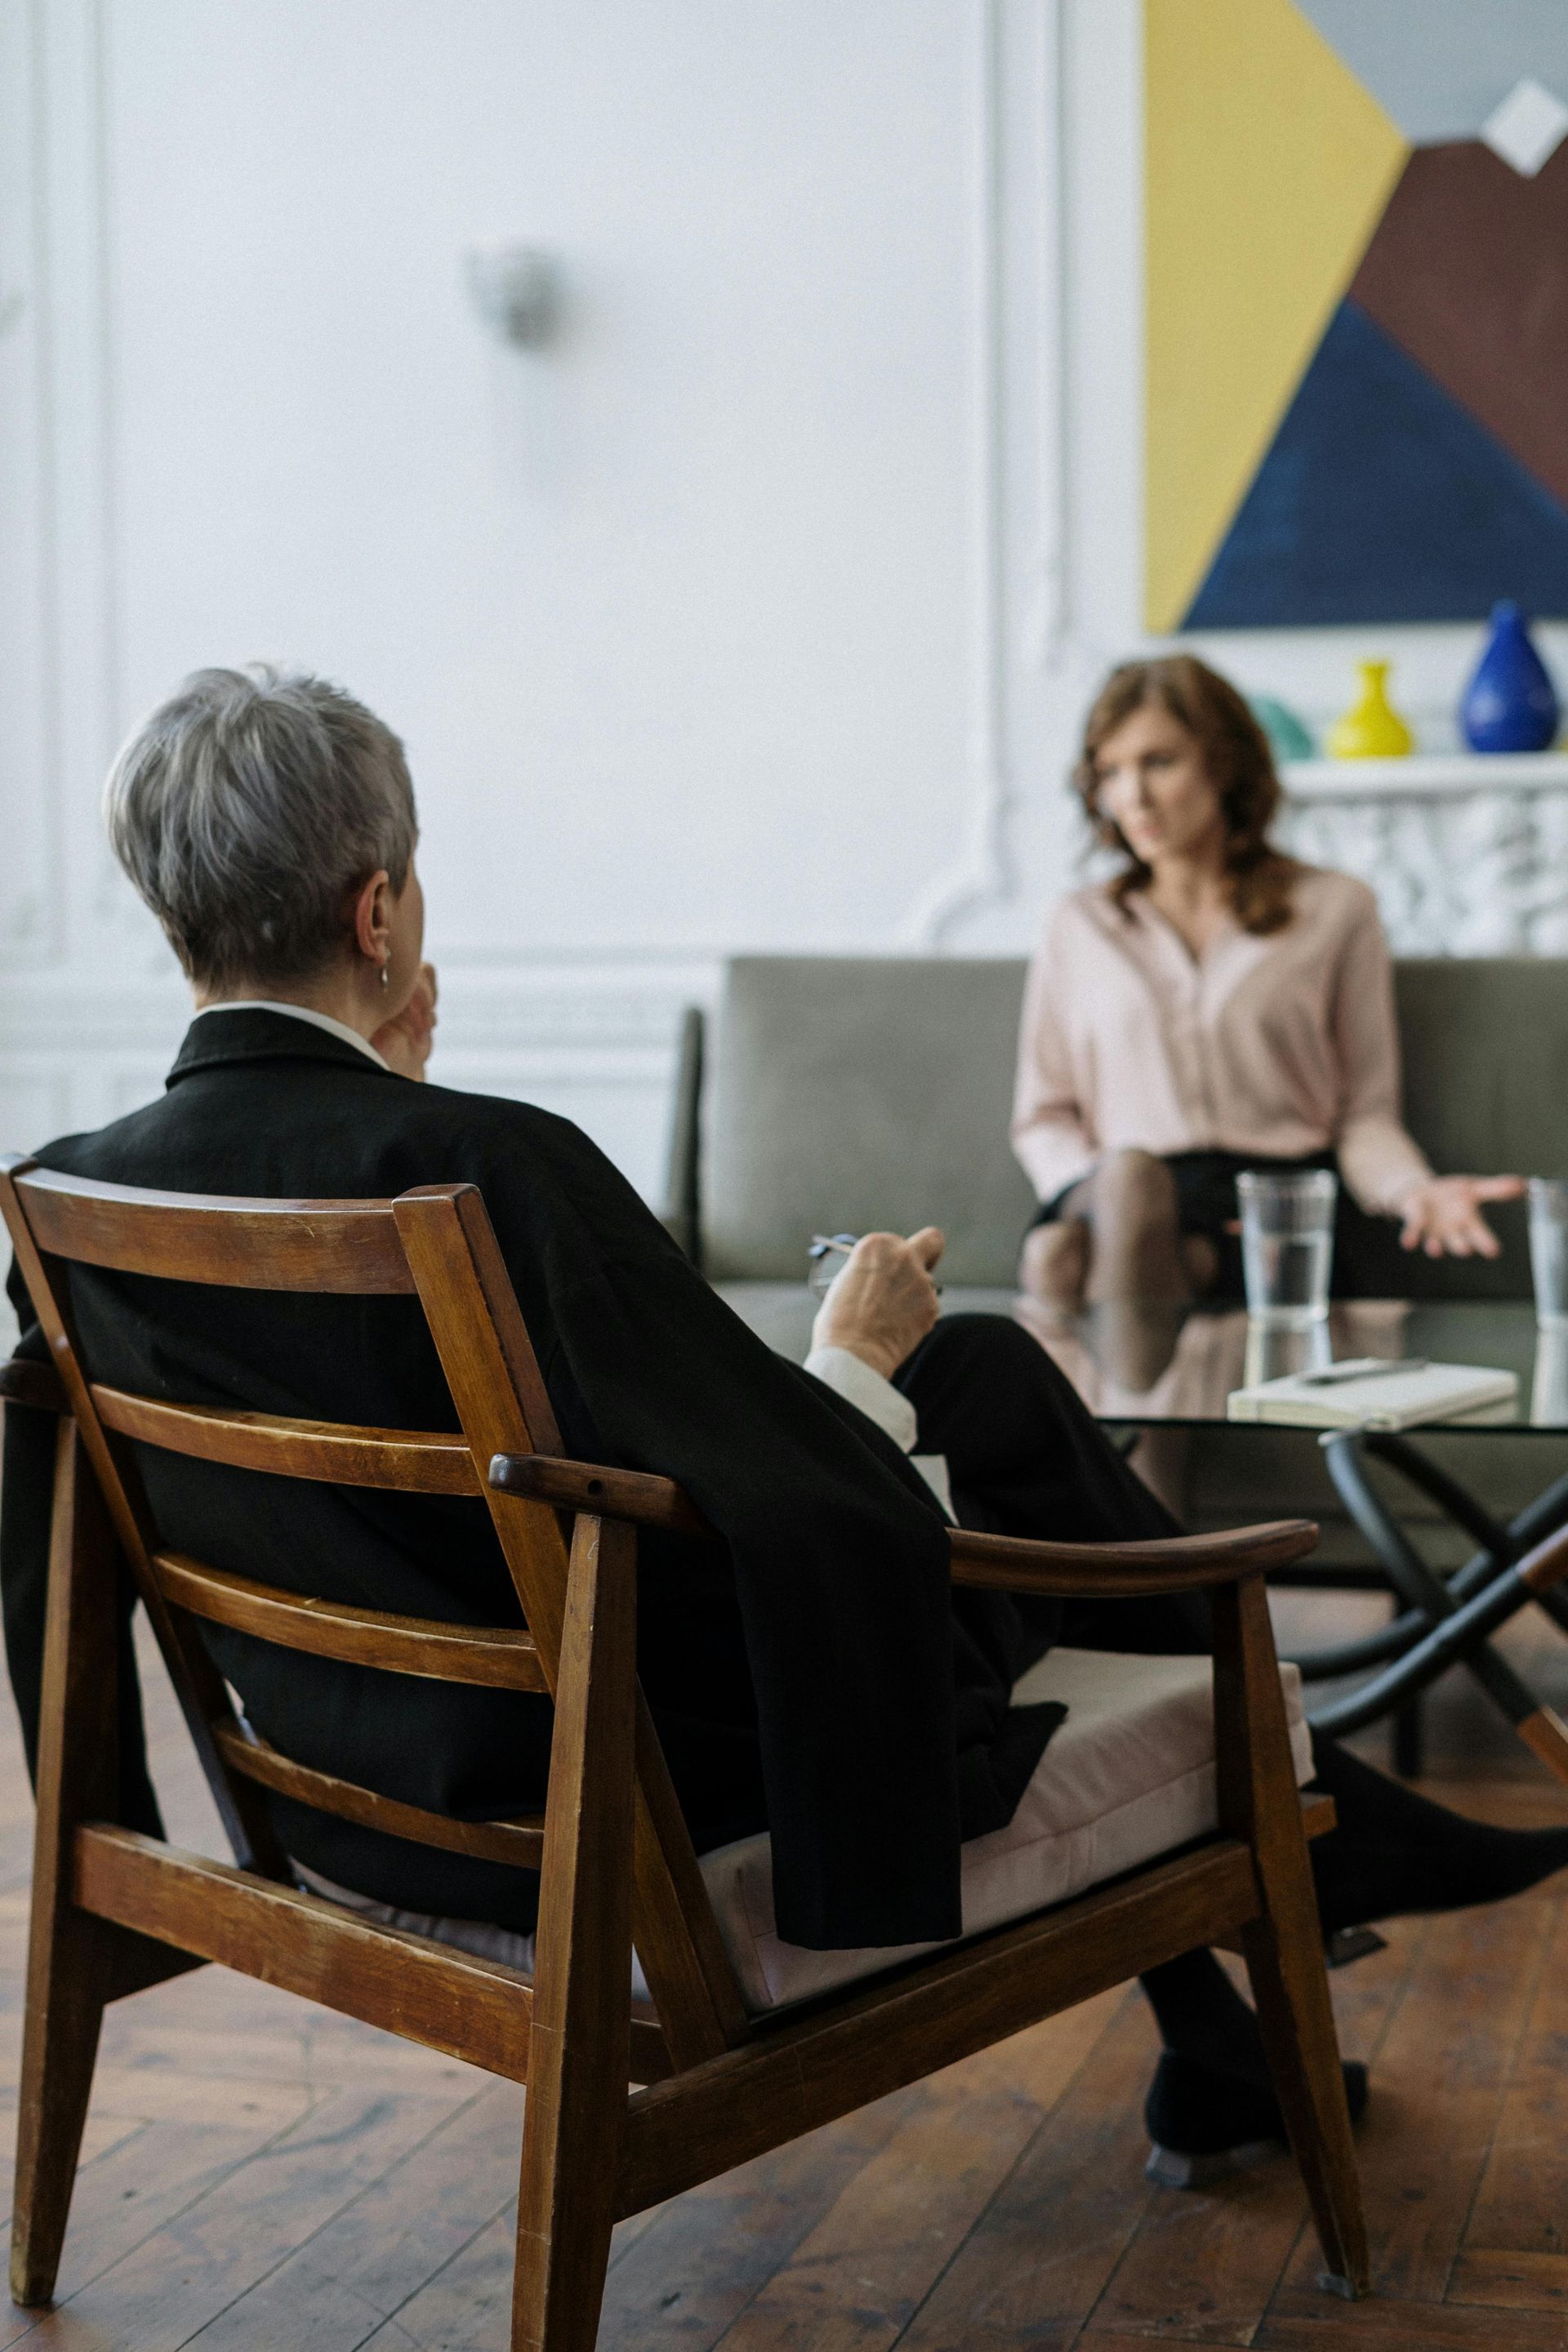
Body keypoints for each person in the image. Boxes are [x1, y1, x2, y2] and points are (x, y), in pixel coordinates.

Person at [3, 666, 1565, 2189]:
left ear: (170, 917)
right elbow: (774, 1510)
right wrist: (855, 1354)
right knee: (964, 1418)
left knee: (994, 1379)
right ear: (381, 912)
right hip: (628, 1772)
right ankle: (1305, 1790)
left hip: (351, 1780)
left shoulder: (74, 1200)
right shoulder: (488, 1168)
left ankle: (1232, 2014)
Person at [1014, 656, 1524, 1313]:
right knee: (1123, 1197)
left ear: (1224, 765)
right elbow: (1043, 1117)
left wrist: (1413, 1192)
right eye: (1110, 771)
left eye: (1159, 763)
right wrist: (1107, 1193)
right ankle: (1126, 1242)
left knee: (1059, 1261)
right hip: (1111, 1195)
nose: (1131, 796)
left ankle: (1122, 1405)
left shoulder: (1336, 909)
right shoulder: (1078, 925)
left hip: (1273, 1209)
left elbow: (1365, 1114)